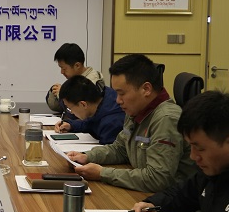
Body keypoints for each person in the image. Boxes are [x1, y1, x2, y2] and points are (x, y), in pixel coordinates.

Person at [66, 54, 195, 192]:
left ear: (146, 89)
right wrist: (87, 156)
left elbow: (157, 178)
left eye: (122, 93)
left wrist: (102, 173)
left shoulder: (166, 119)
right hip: (145, 193)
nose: (117, 100)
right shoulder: (135, 110)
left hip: (171, 200)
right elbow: (120, 149)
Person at [56, 75, 125, 145]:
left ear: (83, 104)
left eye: (70, 108)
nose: (71, 112)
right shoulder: (101, 102)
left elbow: (108, 150)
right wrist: (71, 125)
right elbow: (90, 123)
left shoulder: (111, 123)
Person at [46, 43, 104, 114]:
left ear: (77, 65)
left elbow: (80, 112)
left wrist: (61, 95)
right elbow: (58, 107)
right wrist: (55, 93)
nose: (62, 72)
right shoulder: (77, 79)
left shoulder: (91, 82)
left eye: (64, 69)